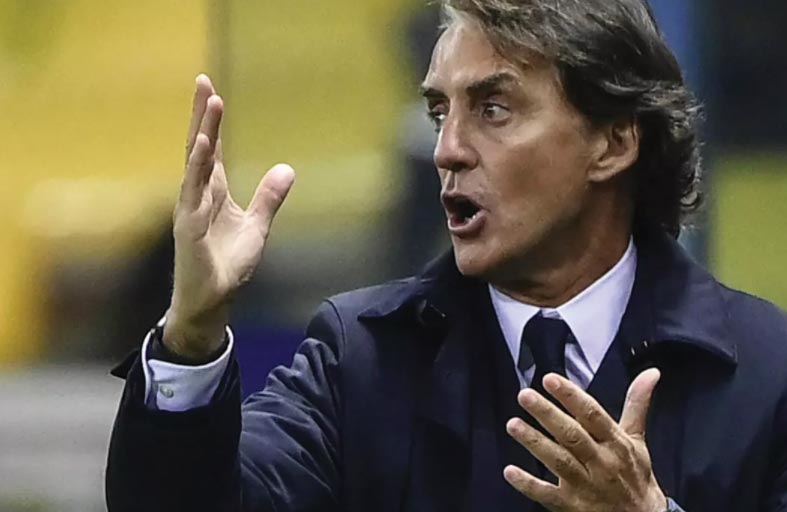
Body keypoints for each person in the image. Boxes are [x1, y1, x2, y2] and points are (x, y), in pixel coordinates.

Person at [105, 1, 787, 511]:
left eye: (493, 109)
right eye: (439, 113)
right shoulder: (362, 359)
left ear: (613, 142)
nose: (447, 150)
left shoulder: (766, 373)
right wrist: (190, 336)